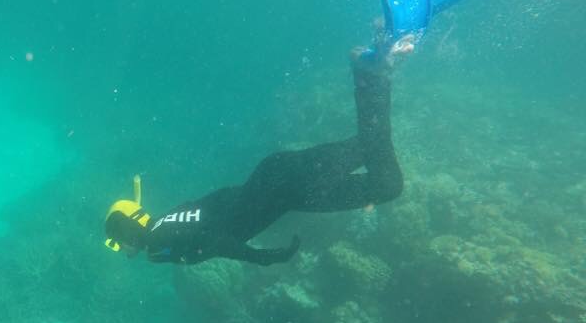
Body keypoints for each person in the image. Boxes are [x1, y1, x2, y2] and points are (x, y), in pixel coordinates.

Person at [103, 39, 407, 266]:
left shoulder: (157, 244)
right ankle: (375, 67)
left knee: (384, 175)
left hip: (286, 185)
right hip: (285, 186)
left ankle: (371, 71)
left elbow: (214, 241)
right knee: (376, 157)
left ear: (127, 232)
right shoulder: (166, 222)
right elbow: (217, 221)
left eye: (117, 244)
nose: (123, 252)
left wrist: (259, 258)